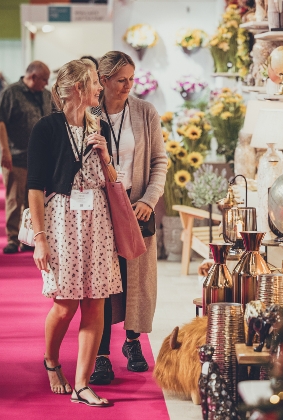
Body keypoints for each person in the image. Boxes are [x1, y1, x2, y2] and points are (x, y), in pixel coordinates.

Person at [28, 58, 121, 407]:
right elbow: (34, 187)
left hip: (97, 220)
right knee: (64, 305)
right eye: (96, 82)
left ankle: (82, 384)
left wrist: (105, 155)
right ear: (78, 88)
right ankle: (51, 361)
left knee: (95, 304)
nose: (101, 87)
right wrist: (40, 239)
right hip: (61, 221)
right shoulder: (47, 128)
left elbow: (112, 181)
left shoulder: (101, 126)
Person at [89, 51, 167, 385]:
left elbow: (160, 162)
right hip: (100, 209)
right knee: (104, 282)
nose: (128, 86)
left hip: (137, 208)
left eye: (131, 79)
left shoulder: (145, 112)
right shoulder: (88, 114)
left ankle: (133, 342)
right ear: (103, 80)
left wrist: (150, 199)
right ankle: (101, 353)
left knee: (137, 280)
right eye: (121, 80)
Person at [0, 61, 52, 254]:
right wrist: (5, 150)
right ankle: (12, 238)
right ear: (33, 76)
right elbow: (0, 121)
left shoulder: (46, 95)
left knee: (34, 200)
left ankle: (29, 238)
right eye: (44, 79)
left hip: (41, 158)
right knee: (14, 198)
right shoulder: (11, 93)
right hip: (16, 155)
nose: (46, 83)